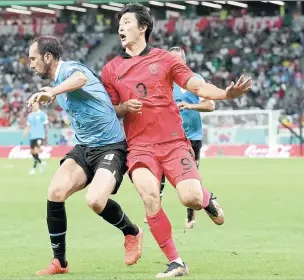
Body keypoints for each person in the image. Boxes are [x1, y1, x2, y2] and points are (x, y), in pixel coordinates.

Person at [101, 4, 252, 278]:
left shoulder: (166, 60)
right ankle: (176, 262)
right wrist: (124, 108)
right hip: (139, 147)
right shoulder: (111, 70)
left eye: (126, 22)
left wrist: (224, 95)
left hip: (173, 143)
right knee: (149, 196)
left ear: (143, 27)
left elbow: (197, 85)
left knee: (190, 198)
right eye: (119, 23)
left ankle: (206, 199)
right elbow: (110, 111)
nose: (120, 27)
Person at [26, 35, 143, 276]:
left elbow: (80, 79)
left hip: (111, 147)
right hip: (83, 148)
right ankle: (60, 262)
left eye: (33, 58)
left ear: (48, 57)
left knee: (95, 201)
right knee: (55, 192)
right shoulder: (58, 83)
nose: (30, 64)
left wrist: (53, 91)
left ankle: (132, 232)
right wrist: (51, 91)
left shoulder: (71, 69)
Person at [145, 47, 216, 229]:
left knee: (190, 176)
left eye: (177, 60)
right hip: (167, 136)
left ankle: (191, 213)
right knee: (158, 172)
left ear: (184, 61)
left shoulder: (194, 81)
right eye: (171, 60)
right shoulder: (162, 81)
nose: (174, 63)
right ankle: (155, 209)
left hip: (192, 136)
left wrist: (190, 107)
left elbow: (210, 105)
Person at [23, 101, 48, 175]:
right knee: (32, 152)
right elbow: (28, 126)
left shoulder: (42, 114)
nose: (34, 105)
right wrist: (25, 133)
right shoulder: (30, 115)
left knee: (36, 151)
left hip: (39, 136)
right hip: (32, 136)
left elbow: (46, 126)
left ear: (38, 105)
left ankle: (33, 168)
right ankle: (41, 163)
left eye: (35, 104)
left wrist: (45, 136)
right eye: (33, 104)